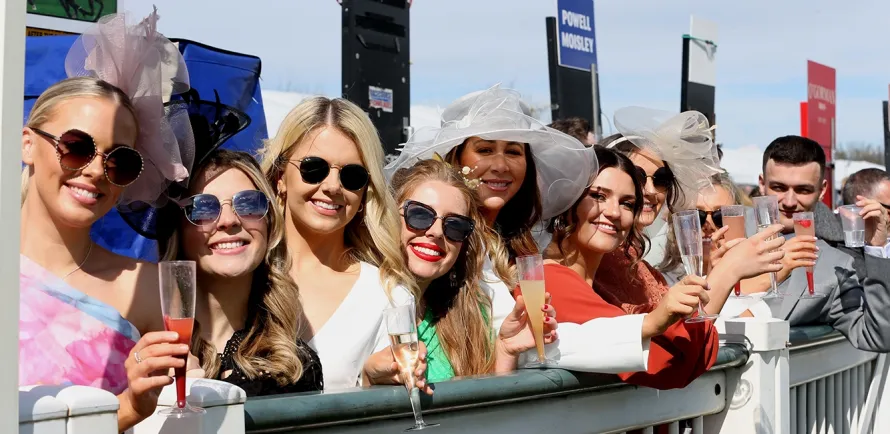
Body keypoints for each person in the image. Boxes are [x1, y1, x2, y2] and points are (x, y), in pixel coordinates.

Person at [386, 85, 673, 374]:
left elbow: (523, 346)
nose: (500, 165)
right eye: (485, 150)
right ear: (456, 159)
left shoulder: (522, 249)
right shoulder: (433, 243)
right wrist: (647, 326)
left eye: (513, 152)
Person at [19, 10, 199, 431]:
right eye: (77, 146)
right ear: (28, 144)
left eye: (120, 160)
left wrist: (138, 405)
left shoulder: (150, 291)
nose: (97, 171)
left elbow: (183, 415)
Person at [543, 147, 784, 389]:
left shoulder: (620, 275)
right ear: (567, 198)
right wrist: (728, 272)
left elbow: (684, 352)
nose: (614, 212)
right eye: (598, 196)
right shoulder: (551, 281)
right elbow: (663, 362)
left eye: (627, 203)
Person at [259, 97, 423, 391]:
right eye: (313, 168)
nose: (333, 186)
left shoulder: (389, 296)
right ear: (280, 177)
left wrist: (371, 381)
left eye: (352, 176)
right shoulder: (243, 273)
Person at [154, 118, 324, 396]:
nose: (229, 221)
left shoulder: (294, 365)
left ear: (270, 223)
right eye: (202, 208)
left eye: (248, 203)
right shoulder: (144, 342)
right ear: (177, 230)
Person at [390, 159, 557, 381]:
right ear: (389, 215)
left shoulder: (464, 314)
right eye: (420, 215)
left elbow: (490, 410)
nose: (437, 232)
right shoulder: (366, 293)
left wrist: (506, 351)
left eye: (455, 225)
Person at [754, 136, 890, 352]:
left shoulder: (837, 266)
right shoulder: (722, 236)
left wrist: (876, 247)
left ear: (822, 189)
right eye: (779, 187)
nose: (789, 201)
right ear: (762, 184)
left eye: (803, 190)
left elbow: (879, 336)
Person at [591, 109, 723, 314]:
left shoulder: (643, 267)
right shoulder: (604, 259)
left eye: (661, 179)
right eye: (638, 177)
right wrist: (729, 272)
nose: (651, 191)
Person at [659, 172, 749, 285]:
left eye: (720, 215)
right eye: (697, 216)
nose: (709, 225)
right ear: (678, 224)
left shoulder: (757, 279)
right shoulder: (661, 284)